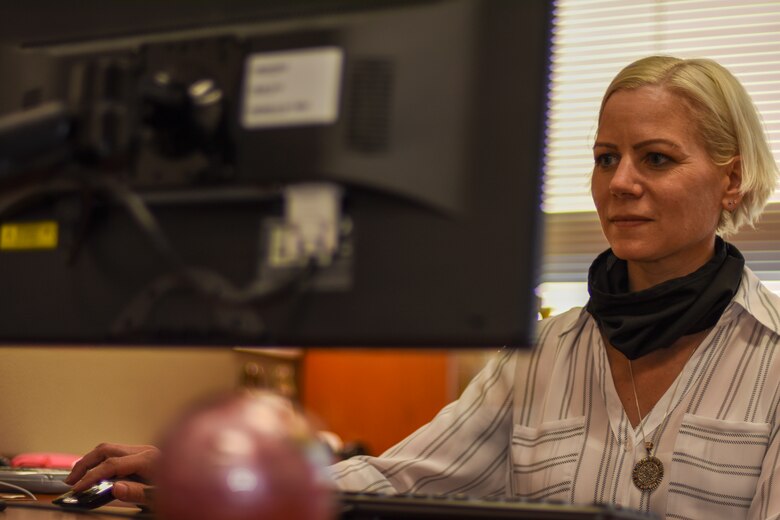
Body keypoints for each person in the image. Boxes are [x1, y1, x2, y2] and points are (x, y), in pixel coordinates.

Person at [65, 55, 780, 518]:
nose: (620, 183)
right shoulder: (539, 353)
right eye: (606, 157)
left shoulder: (771, 358)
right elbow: (404, 481)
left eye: (655, 158)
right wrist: (212, 477)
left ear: (731, 177)